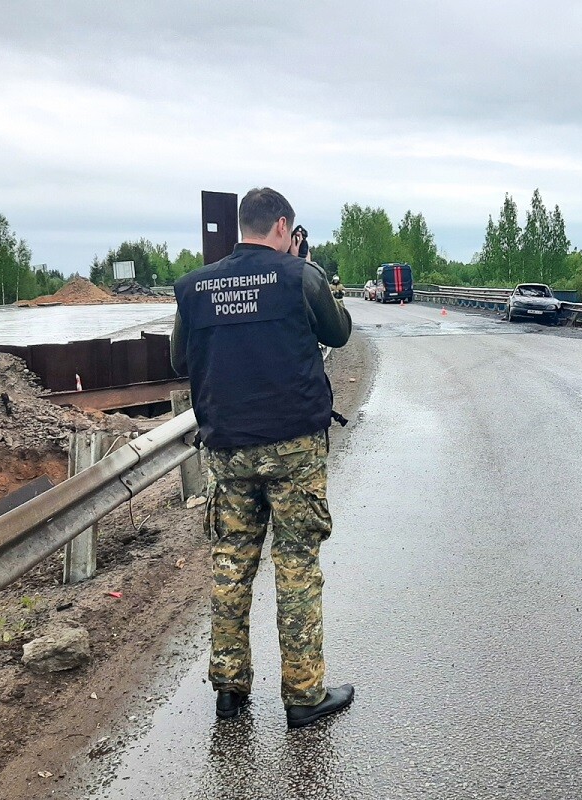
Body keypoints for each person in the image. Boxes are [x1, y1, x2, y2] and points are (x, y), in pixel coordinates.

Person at [170, 187, 354, 728]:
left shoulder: (195, 288)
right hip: (293, 446)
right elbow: (338, 333)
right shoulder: (299, 277)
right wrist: (304, 267)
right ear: (281, 227)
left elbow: (180, 359)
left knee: (231, 564)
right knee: (296, 564)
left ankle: (229, 692)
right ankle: (303, 696)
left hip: (229, 449)